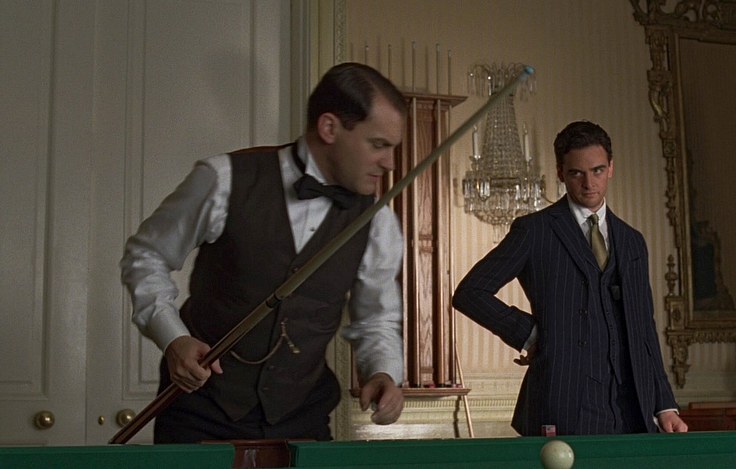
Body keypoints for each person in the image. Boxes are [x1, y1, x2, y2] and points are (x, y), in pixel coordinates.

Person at [120, 62, 407, 443]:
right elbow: (146, 256)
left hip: (304, 419)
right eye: (378, 145)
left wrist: (384, 372)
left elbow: (377, 318)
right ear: (329, 128)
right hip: (200, 411)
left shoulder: (378, 220)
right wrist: (173, 338)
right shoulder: (223, 179)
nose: (389, 163)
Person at [452, 120, 688, 436]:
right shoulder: (534, 231)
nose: (589, 183)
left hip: (632, 409)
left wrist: (665, 405)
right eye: (577, 173)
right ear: (561, 173)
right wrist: (530, 334)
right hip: (562, 402)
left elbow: (644, 328)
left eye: (598, 171)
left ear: (611, 168)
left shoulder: (632, 241)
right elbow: (470, 292)